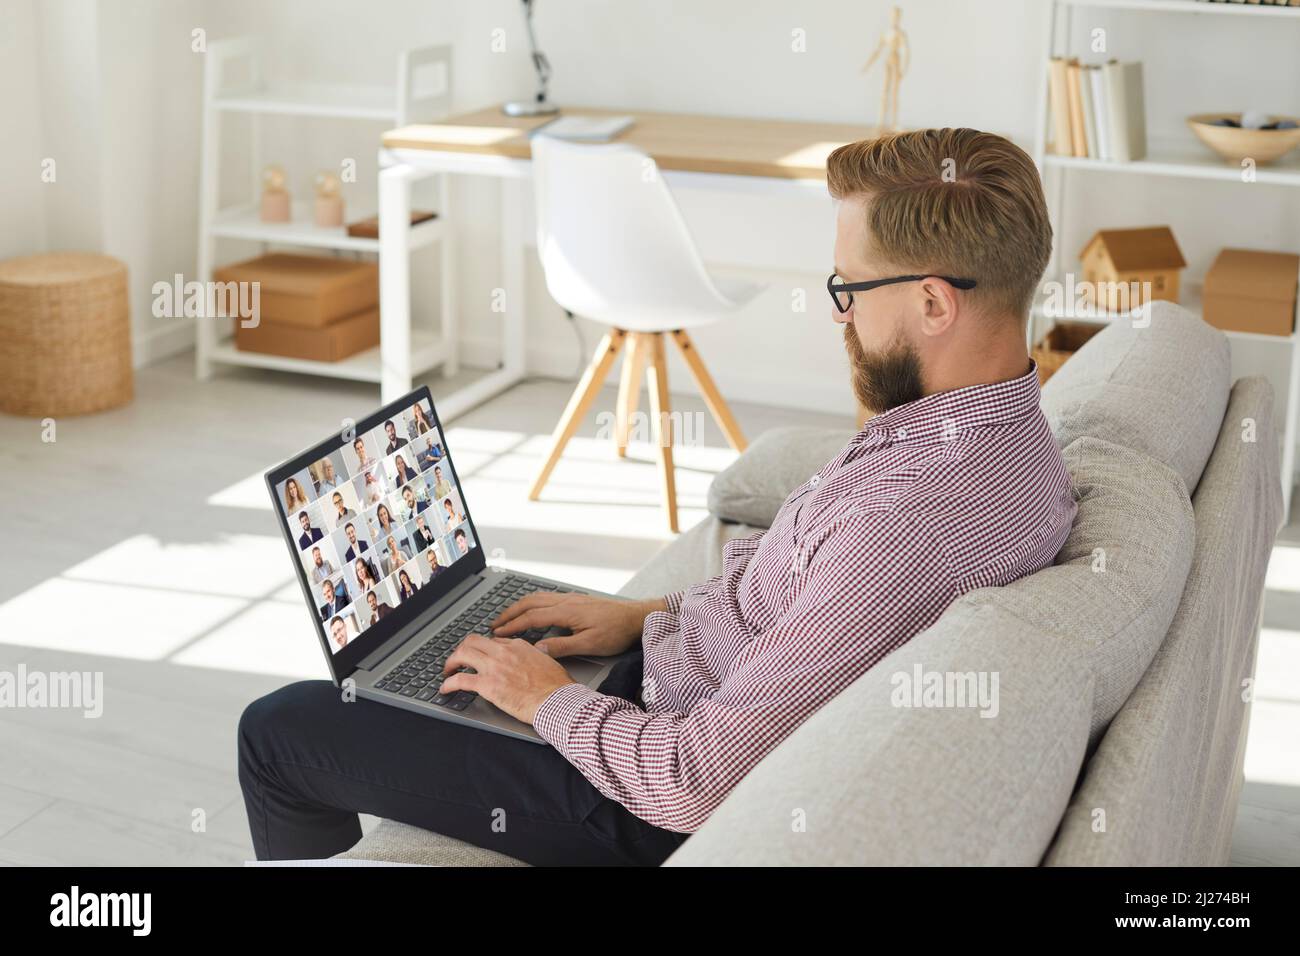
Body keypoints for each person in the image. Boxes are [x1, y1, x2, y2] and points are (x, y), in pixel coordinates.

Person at [240, 128, 1076, 866]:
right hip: (666, 686)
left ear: (934, 302)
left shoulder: (904, 523)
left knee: (280, 728)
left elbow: (694, 784)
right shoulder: (1001, 439)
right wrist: (642, 618)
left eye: (848, 290)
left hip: (637, 800)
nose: (839, 317)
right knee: (436, 648)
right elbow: (800, 605)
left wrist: (546, 698)